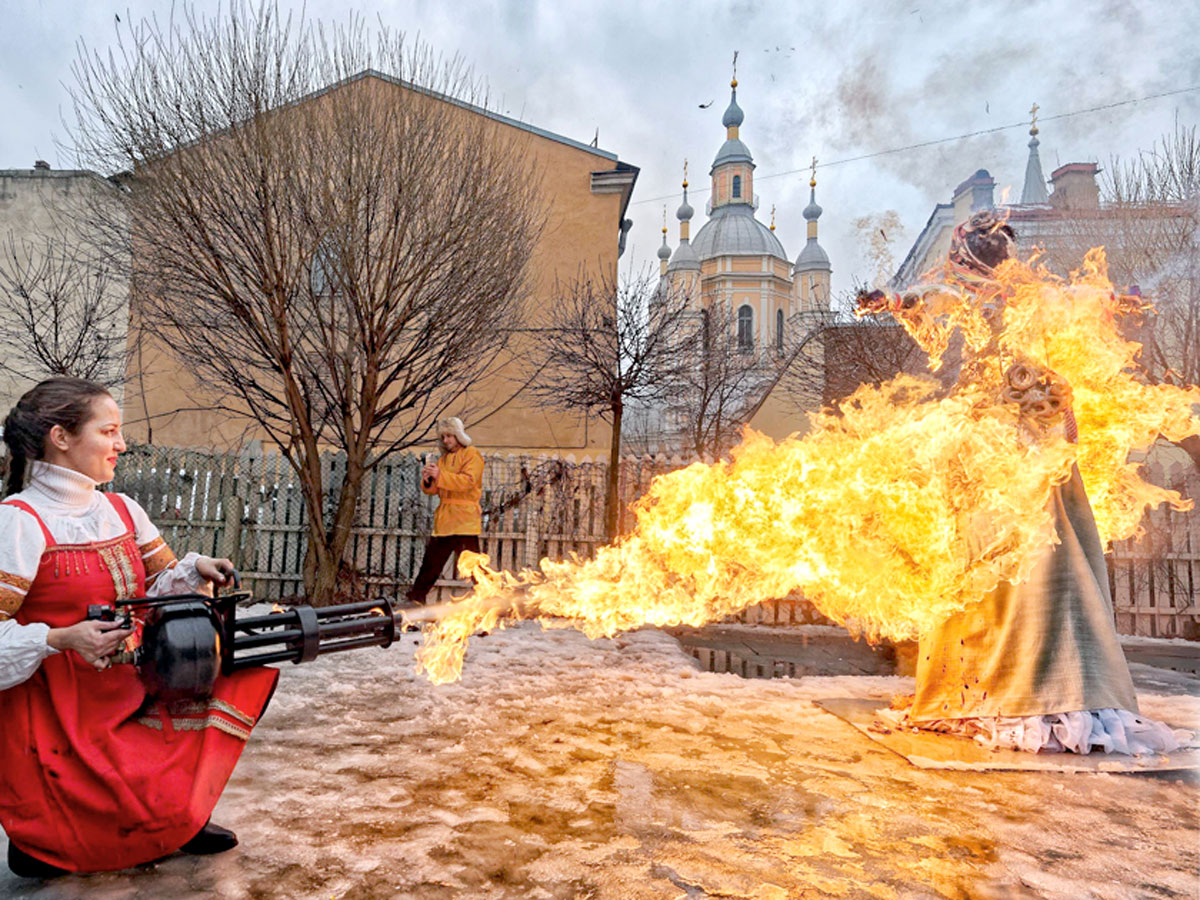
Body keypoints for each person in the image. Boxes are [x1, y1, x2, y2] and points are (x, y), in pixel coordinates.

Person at [895, 213, 1181, 755]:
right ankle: (980, 685)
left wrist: (1117, 300)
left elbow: (1080, 299)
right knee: (980, 565)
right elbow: (926, 301)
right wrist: (891, 301)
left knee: (1042, 560)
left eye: (982, 253)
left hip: (1032, 447)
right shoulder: (962, 298)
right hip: (984, 448)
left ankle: (1047, 687)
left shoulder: (1030, 296)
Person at [0, 377, 279, 877]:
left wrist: (194, 570)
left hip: (134, 679)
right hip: (58, 709)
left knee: (240, 671)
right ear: (60, 437)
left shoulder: (122, 510)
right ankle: (48, 837)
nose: (121, 444)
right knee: (61, 830)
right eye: (108, 431)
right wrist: (59, 638)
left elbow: (156, 585)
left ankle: (177, 818)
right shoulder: (17, 522)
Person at [405, 417, 484, 606]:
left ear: (459, 435)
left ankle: (490, 598)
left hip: (464, 519)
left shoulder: (472, 454)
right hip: (446, 520)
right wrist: (428, 479)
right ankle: (416, 599)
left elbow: (468, 481)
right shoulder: (443, 459)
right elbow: (433, 490)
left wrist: (439, 475)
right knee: (431, 563)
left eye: (449, 436)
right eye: (443, 437)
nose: (446, 440)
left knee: (473, 565)